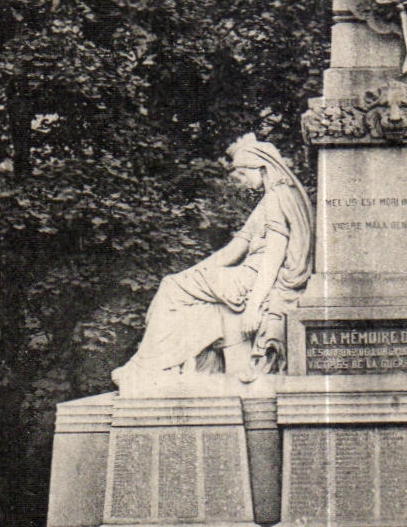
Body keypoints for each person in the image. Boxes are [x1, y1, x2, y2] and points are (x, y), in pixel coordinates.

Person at [111, 135, 313, 392]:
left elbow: (274, 255)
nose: (242, 180)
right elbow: (235, 248)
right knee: (179, 290)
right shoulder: (272, 198)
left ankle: (144, 367)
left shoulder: (277, 198)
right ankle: (160, 366)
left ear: (262, 168)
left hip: (251, 279)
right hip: (245, 274)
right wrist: (196, 273)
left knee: (172, 287)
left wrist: (253, 305)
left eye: (243, 173)